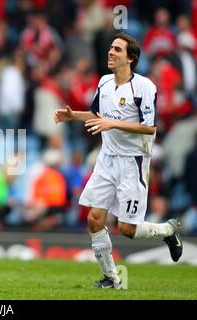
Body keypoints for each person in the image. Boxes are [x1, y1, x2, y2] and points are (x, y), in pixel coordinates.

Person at [54, 32, 182, 289]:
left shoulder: (144, 87)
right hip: (107, 159)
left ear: (131, 58)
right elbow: (95, 114)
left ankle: (168, 230)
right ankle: (111, 278)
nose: (111, 53)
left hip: (132, 161)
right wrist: (73, 116)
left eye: (118, 50)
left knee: (127, 229)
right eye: (111, 48)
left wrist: (113, 123)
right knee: (94, 218)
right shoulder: (103, 82)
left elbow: (150, 128)